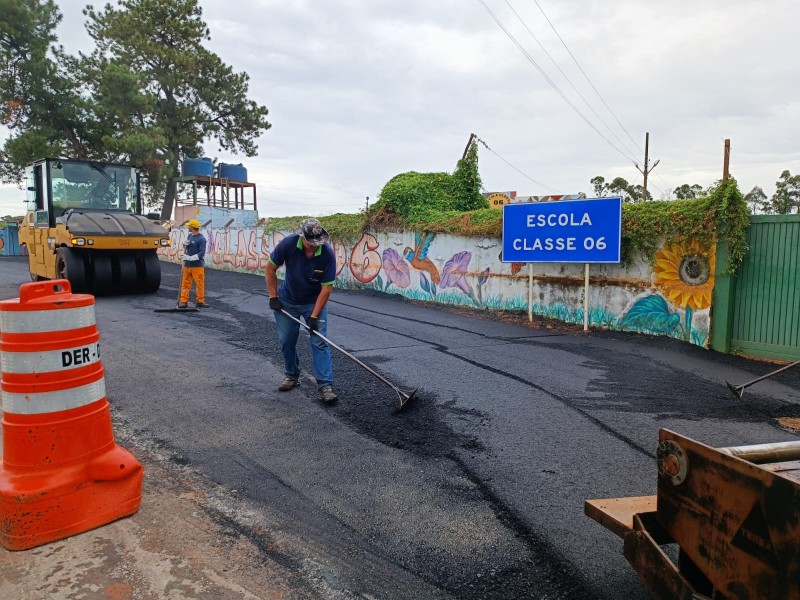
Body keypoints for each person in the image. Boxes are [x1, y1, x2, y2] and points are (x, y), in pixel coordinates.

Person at [265, 218, 338, 403]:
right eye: (311, 242)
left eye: (317, 242)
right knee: (287, 340)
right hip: (287, 300)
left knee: (319, 342)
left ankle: (325, 386)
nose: (314, 246)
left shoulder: (327, 253)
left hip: (314, 302)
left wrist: (314, 316)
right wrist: (273, 297)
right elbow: (270, 268)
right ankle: (292, 375)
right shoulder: (289, 244)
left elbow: (326, 288)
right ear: (302, 236)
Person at [178, 219, 209, 308]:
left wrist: (191, 258)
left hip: (197, 266)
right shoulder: (189, 236)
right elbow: (187, 247)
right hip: (187, 265)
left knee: (199, 284)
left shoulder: (201, 239)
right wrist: (184, 245)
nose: (187, 227)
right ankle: (183, 301)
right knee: (185, 283)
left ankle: (200, 301)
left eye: (189, 226)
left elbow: (202, 253)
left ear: (192, 227)